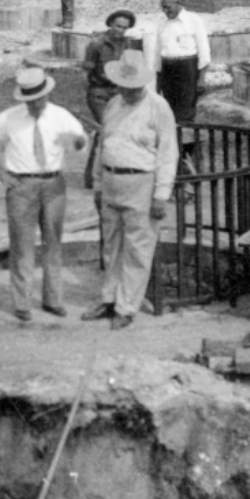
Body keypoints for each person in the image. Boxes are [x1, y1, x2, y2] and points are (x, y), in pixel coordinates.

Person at [82, 51, 179, 330]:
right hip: (112, 182)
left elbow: (168, 153)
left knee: (137, 248)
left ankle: (127, 306)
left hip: (141, 184)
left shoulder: (158, 107)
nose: (129, 92)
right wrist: (99, 184)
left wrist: (161, 194)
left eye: (134, 87)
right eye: (124, 86)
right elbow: (104, 145)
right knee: (111, 245)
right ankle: (109, 298)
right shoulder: (113, 104)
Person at [0, 65, 88, 321]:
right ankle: (22, 303)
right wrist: (1, 174)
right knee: (22, 246)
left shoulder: (60, 115)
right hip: (21, 187)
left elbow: (80, 140)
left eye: (39, 99)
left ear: (47, 94)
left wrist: (75, 142)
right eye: (30, 100)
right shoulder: (8, 118)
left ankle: (53, 300)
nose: (35, 104)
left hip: (53, 185)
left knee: (53, 243)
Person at [146, 0, 210, 167]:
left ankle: (193, 155)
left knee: (186, 115)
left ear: (178, 3)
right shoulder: (162, 25)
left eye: (168, 7)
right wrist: (158, 85)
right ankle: (177, 154)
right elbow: (158, 56)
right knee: (169, 114)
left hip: (187, 72)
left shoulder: (193, 21)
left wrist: (201, 79)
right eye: (163, 8)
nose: (165, 11)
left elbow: (204, 52)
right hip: (168, 72)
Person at [80, 10, 134, 187]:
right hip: (99, 93)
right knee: (107, 129)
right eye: (118, 26)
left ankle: (103, 175)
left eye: (124, 28)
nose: (120, 30)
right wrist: (90, 93)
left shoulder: (127, 43)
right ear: (110, 24)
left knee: (111, 132)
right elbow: (85, 73)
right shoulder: (96, 44)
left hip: (118, 94)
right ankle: (93, 177)